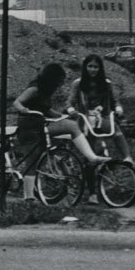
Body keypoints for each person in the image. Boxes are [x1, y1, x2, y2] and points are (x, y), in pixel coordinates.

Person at [13, 63, 108, 201]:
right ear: (52, 79)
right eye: (59, 81)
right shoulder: (35, 88)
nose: (60, 84)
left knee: (69, 127)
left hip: (40, 125)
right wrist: (23, 109)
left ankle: (32, 196)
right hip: (29, 127)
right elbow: (17, 102)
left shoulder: (46, 92)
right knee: (31, 162)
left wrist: (62, 116)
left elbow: (47, 111)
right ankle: (28, 197)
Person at [66, 54, 133, 164]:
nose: (93, 69)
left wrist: (118, 109)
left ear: (100, 68)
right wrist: (72, 110)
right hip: (85, 119)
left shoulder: (106, 83)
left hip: (101, 117)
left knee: (115, 128)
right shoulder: (78, 83)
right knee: (90, 150)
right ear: (85, 67)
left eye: (96, 67)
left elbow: (114, 100)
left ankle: (127, 157)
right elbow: (70, 102)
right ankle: (88, 171)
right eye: (90, 66)